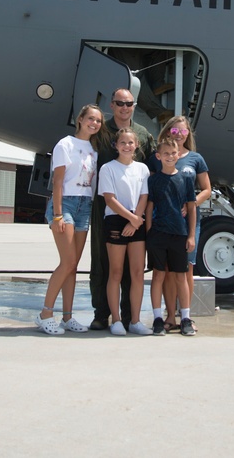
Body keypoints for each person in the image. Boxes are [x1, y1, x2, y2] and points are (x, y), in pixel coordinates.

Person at [88, 88, 157, 330]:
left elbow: (154, 168)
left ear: (134, 105)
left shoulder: (143, 134)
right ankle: (101, 313)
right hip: (104, 208)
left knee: (133, 268)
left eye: (128, 103)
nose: (124, 107)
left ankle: (130, 316)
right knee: (102, 261)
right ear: (112, 104)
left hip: (135, 212)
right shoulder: (101, 131)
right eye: (119, 103)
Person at [34, 104, 103, 335]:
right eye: (91, 119)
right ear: (80, 119)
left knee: (73, 266)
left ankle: (67, 317)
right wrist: (57, 214)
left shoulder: (94, 150)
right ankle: (45, 314)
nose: (94, 123)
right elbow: (57, 181)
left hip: (85, 205)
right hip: (66, 204)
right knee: (67, 262)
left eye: (98, 121)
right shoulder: (65, 144)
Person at [151, 116, 211, 332]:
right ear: (168, 132)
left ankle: (187, 315)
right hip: (165, 223)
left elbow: (206, 189)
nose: (179, 135)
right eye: (174, 131)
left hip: (188, 222)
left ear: (188, 134)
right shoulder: (161, 156)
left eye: (183, 131)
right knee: (166, 271)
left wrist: (191, 203)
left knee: (186, 270)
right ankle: (169, 316)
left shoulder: (196, 158)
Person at [97, 128, 152, 336]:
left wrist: (136, 220)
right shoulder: (108, 168)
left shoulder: (143, 169)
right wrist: (132, 219)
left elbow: (144, 197)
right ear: (116, 145)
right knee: (116, 272)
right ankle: (117, 320)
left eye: (130, 142)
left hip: (136, 220)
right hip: (115, 220)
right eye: (123, 142)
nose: (127, 146)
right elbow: (109, 198)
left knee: (138, 273)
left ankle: (135, 321)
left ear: (136, 145)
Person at [145, 136, 197, 336]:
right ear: (158, 156)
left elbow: (191, 209)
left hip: (179, 234)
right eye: (165, 153)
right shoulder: (154, 180)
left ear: (178, 155)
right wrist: (149, 232)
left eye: (173, 153)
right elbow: (149, 207)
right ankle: (158, 318)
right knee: (158, 275)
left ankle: (185, 318)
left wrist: (191, 235)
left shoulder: (185, 179)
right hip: (158, 234)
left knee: (180, 276)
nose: (169, 156)